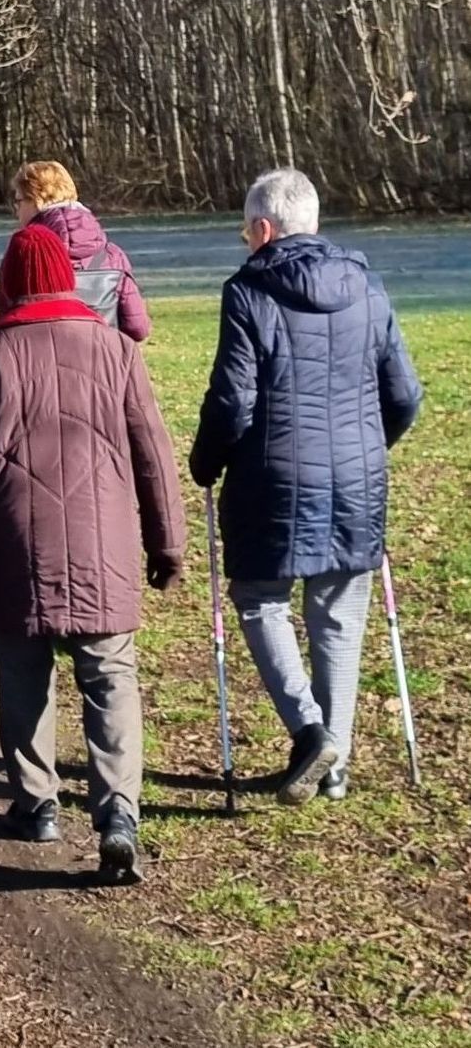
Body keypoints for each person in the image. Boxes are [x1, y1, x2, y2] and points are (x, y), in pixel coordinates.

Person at [0, 225, 184, 884]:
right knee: (110, 677)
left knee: (22, 674)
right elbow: (153, 455)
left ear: (10, 280)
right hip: (105, 543)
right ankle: (118, 812)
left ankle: (36, 802)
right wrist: (167, 543)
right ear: (67, 279)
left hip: (16, 540)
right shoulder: (116, 349)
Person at [190, 169, 422, 805]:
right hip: (358, 478)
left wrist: (205, 461)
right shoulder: (368, 285)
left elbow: (233, 400)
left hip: (273, 478)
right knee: (340, 612)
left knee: (260, 598)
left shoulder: (248, 290)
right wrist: (368, 448)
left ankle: (311, 733)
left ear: (264, 229)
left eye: (246, 231)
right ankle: (333, 765)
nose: (245, 241)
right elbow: (405, 394)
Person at [0, 160, 151, 341]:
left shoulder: (23, 255)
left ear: (36, 200)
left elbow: (2, 327)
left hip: (38, 355)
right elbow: (137, 328)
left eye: (18, 201)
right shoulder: (113, 256)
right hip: (103, 353)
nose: (16, 210)